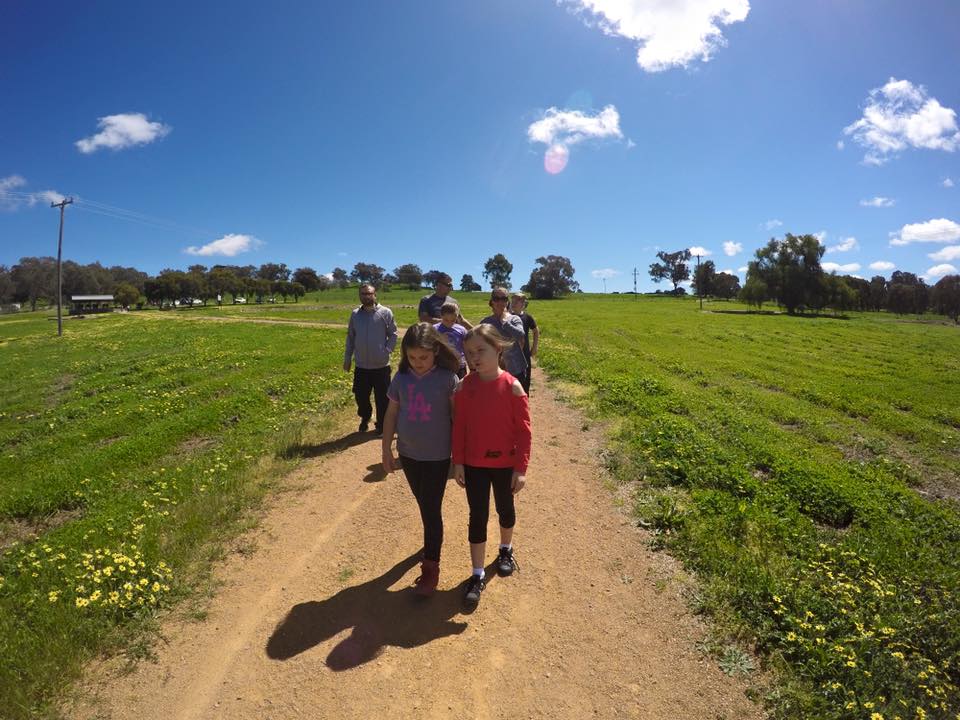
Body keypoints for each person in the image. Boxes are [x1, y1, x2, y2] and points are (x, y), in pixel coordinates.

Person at [452, 324, 531, 609]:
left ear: (497, 350)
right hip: (473, 464)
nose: (474, 357)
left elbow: (524, 432)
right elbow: (459, 427)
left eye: (480, 351)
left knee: (505, 509)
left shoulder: (512, 386)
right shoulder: (464, 387)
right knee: (477, 515)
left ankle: (505, 550)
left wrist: (520, 469)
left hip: (504, 464)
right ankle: (477, 574)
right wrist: (458, 462)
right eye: (469, 352)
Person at [381, 323, 461, 596]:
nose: (418, 363)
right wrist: (385, 450)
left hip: (438, 457)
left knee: (430, 508)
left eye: (423, 358)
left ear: (436, 352)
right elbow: (391, 415)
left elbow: (457, 418)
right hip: (409, 455)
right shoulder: (401, 378)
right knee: (424, 504)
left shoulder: (448, 378)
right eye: (413, 357)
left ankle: (430, 569)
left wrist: (459, 457)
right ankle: (432, 535)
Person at [343, 283, 398, 434]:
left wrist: (387, 350)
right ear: (359, 296)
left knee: (383, 399)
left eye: (369, 294)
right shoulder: (355, 314)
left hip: (381, 366)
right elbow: (351, 336)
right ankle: (365, 417)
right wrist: (348, 358)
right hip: (361, 366)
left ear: (375, 295)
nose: (366, 296)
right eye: (363, 294)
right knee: (361, 396)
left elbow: (393, 334)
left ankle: (381, 424)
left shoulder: (385, 312)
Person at [480, 287, 527, 393]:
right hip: (493, 370)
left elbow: (520, 335)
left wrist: (505, 323)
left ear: (507, 301)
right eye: (497, 298)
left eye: (504, 298)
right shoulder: (485, 322)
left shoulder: (514, 319)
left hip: (515, 369)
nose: (500, 302)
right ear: (492, 301)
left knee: (515, 401)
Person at [510, 292, 539, 394]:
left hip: (525, 353)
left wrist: (534, 347)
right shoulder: (508, 317)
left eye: (516, 301)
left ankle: (524, 403)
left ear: (523, 304)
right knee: (511, 380)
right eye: (512, 300)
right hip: (511, 354)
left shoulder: (527, 317)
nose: (513, 303)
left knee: (525, 380)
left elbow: (536, 331)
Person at [434, 302, 468, 379]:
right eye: (446, 320)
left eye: (453, 320)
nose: (449, 323)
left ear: (457, 317)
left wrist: (471, 366)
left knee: (461, 387)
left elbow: (466, 348)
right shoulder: (434, 329)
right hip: (441, 366)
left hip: (459, 365)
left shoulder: (461, 330)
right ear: (441, 316)